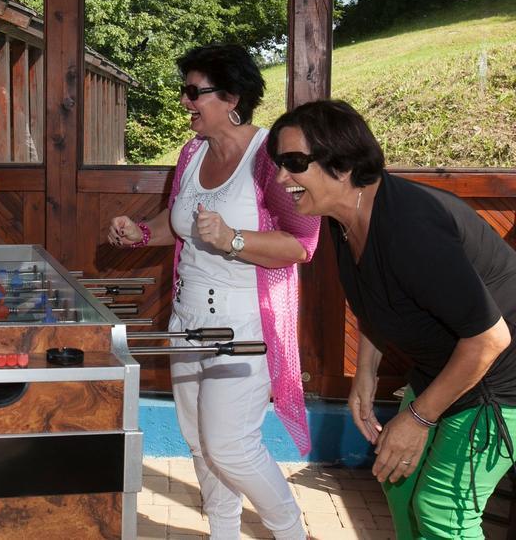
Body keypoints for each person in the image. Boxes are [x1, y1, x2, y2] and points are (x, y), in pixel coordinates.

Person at [268, 99, 516, 538]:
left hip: (501, 380)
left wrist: (417, 419)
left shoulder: (409, 227)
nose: (281, 176)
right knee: (398, 484)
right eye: (279, 163)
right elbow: (375, 303)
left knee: (442, 510)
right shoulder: (343, 220)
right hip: (445, 366)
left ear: (341, 165)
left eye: (293, 163)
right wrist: (364, 376)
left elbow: (489, 338)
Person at [108, 44, 320, 539]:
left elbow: (302, 244)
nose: (185, 102)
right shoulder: (191, 153)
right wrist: (138, 232)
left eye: (192, 92)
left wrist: (235, 239)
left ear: (230, 97)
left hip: (245, 325)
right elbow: (180, 225)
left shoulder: (269, 158)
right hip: (186, 322)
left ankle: (291, 532)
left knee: (230, 445)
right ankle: (222, 532)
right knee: (199, 442)